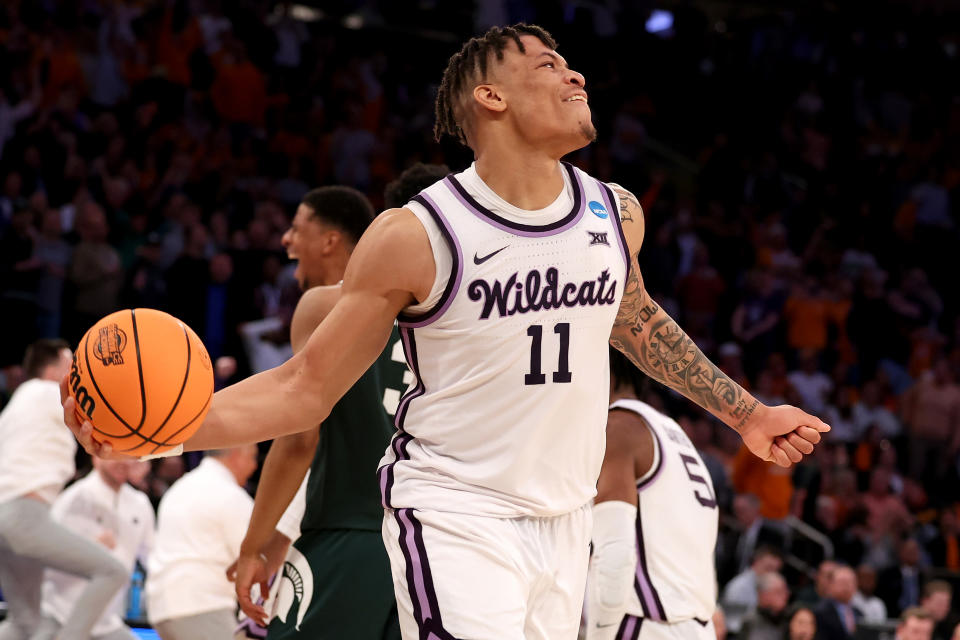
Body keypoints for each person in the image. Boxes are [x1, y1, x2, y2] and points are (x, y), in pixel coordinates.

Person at [65, 24, 829, 640]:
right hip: (456, 513)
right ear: (489, 96)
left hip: (564, 519)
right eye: (550, 65)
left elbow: (636, 321)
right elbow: (303, 390)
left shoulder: (613, 210)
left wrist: (749, 415)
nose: (577, 77)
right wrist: (155, 433)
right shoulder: (416, 235)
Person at [231, 176, 444, 640]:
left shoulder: (325, 305)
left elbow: (298, 438)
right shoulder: (464, 320)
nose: (286, 241)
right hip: (439, 551)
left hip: (352, 533)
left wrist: (255, 548)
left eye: (296, 228)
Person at [586, 349, 720, 639]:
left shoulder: (618, 428)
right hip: (696, 625)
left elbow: (615, 555)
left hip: (645, 624)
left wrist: (599, 634)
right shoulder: (674, 432)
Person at [0, 339, 128, 640]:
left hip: (7, 515)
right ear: (56, 366)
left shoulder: (16, 404)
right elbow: (109, 414)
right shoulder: (50, 394)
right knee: (113, 572)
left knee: (25, 622)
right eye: (72, 361)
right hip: (24, 515)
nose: (77, 369)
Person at [146, 445, 258, 640]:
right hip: (201, 606)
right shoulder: (231, 495)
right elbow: (255, 563)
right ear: (237, 454)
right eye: (252, 457)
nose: (254, 466)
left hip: (162, 609)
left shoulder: (180, 487)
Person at [35, 458, 155, 640]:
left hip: (108, 621)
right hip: (63, 615)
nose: (124, 460)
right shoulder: (74, 499)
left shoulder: (140, 503)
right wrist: (90, 549)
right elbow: (46, 560)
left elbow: (153, 558)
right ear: (96, 456)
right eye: (117, 453)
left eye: (129, 454)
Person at [720, 547, 783, 634]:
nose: (771, 574)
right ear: (756, 562)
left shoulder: (767, 587)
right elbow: (729, 621)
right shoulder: (739, 587)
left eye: (775, 571)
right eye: (768, 568)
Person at [738, 572, 789, 640]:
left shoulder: (790, 618)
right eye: (779, 592)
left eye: (786, 591)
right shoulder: (751, 622)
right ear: (763, 595)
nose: (786, 595)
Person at [813, 564, 859, 640]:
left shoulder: (859, 613)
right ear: (831, 584)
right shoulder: (821, 612)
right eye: (842, 582)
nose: (846, 586)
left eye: (850, 582)